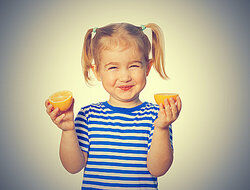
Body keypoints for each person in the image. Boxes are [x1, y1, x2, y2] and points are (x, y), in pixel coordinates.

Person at [45, 22, 182, 190]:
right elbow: (73, 167)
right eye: (113, 67)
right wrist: (67, 131)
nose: (124, 76)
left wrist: (161, 128)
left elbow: (158, 169)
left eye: (133, 65)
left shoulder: (157, 117)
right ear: (97, 72)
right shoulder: (88, 115)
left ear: (148, 67)